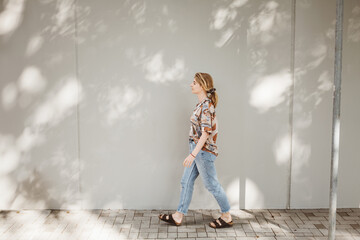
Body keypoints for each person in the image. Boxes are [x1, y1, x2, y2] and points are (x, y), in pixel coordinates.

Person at [158, 72, 233, 229]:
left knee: (212, 185)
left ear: (202, 86)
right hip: (197, 149)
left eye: (194, 83)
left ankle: (226, 216)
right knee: (186, 181)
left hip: (203, 151)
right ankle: (178, 216)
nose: (191, 85)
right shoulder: (201, 104)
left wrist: (193, 154)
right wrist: (193, 151)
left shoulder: (206, 106)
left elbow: (206, 133)